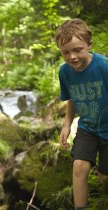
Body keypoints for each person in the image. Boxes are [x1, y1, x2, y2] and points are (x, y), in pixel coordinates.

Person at [56, 18, 108, 210]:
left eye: (77, 49)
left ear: (89, 44)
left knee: (104, 176)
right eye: (66, 52)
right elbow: (72, 97)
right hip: (88, 128)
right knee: (79, 166)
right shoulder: (65, 72)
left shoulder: (104, 67)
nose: (72, 57)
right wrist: (67, 124)